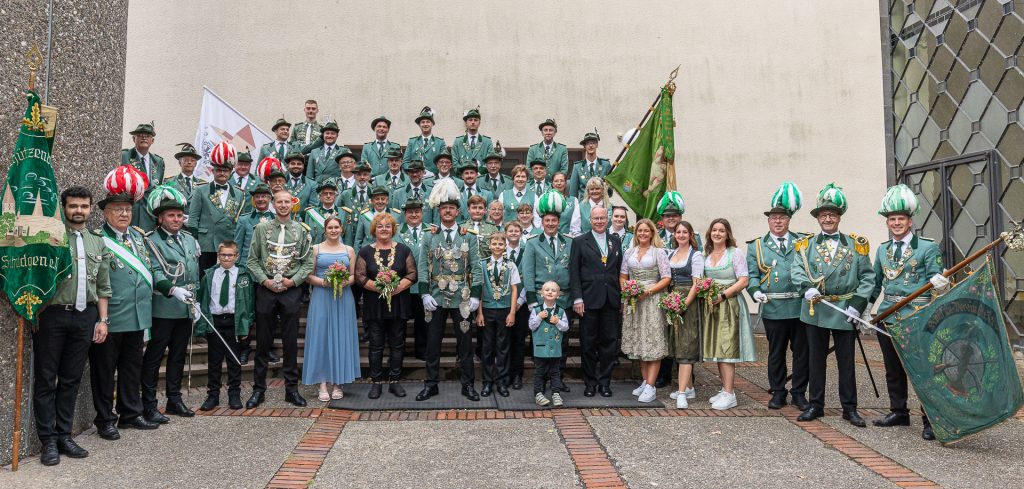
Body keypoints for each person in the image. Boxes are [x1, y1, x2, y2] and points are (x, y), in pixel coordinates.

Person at [34, 187, 111, 466]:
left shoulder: (97, 242)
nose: (79, 210)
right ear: (63, 207)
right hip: (53, 316)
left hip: (85, 317)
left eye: (84, 206)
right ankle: (48, 442)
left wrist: (102, 321)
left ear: (91, 209)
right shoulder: (50, 238)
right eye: (73, 206)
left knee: (71, 380)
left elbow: (103, 286)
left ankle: (64, 435)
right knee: (46, 380)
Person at [869, 184, 948, 440]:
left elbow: (936, 279)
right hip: (888, 316)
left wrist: (940, 283)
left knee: (924, 368)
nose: (896, 223)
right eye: (892, 220)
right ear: (887, 223)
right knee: (893, 368)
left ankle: (929, 418)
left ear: (910, 221)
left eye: (900, 219)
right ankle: (899, 412)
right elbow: (875, 282)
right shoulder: (882, 250)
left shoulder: (927, 247)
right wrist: (865, 307)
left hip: (917, 316)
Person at [792, 183, 874, 427]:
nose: (827, 219)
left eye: (832, 215)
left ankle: (850, 408)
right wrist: (806, 287)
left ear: (839, 218)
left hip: (844, 310)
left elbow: (868, 277)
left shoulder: (856, 244)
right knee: (815, 360)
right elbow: (797, 270)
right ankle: (816, 405)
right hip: (816, 309)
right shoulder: (805, 246)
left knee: (846, 362)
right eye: (823, 215)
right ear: (818, 219)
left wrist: (858, 304)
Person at [90, 180, 158, 442]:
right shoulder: (98, 239)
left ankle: (130, 413)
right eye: (117, 209)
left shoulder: (139, 238)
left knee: (132, 368)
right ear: (106, 213)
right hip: (111, 316)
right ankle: (105, 419)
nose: (123, 214)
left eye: (127, 210)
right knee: (104, 371)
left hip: (137, 316)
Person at [245, 189, 315, 408]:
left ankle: (291, 390)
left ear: (292, 204)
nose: (283, 205)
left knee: (290, 342)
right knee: (263, 342)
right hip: (266, 288)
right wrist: (264, 281)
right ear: (273, 204)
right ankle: (258, 390)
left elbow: (308, 263)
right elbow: (252, 260)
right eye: (279, 202)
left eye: (287, 202)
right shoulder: (262, 228)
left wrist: (292, 282)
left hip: (290, 289)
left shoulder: (302, 231)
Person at [416, 179, 483, 401]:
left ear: (457, 211)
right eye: (444, 208)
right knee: (432, 343)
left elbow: (476, 267)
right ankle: (431, 384)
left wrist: (475, 296)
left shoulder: (468, 235)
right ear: (438, 210)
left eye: (451, 208)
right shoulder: (429, 235)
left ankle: (468, 385)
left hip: (461, 297)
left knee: (465, 345)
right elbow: (423, 267)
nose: (447, 211)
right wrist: (424, 293)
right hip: (435, 295)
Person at [746, 182, 810, 410]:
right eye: (773, 218)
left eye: (782, 218)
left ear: (788, 220)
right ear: (768, 221)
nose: (778, 221)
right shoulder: (756, 247)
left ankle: (800, 393)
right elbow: (752, 276)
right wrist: (755, 293)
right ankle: (778, 391)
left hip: (800, 306)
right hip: (774, 306)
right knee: (776, 354)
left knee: (802, 353)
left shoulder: (803, 242)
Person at [141, 186, 201, 422]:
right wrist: (172, 289)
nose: (176, 219)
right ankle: (149, 404)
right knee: (154, 357)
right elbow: (154, 271)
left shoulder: (189, 239)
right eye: (171, 216)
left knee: (178, 356)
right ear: (160, 218)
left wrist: (198, 303)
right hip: (163, 309)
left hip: (185, 308)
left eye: (179, 215)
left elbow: (195, 275)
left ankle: (174, 400)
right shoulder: (151, 240)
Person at [355, 213, 418, 398]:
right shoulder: (365, 251)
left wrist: (396, 288)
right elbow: (359, 276)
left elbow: (413, 273)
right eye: (380, 226)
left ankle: (395, 382)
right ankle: (376, 382)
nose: (384, 229)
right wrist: (379, 287)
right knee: (376, 345)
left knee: (398, 344)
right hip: (375, 305)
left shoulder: (404, 250)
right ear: (374, 229)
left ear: (393, 229)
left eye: (388, 226)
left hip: (398, 303)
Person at [303, 216, 360, 401]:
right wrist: (325, 282)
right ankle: (321, 383)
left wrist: (344, 282)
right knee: (321, 336)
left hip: (343, 297)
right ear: (325, 230)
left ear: (341, 229)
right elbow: (308, 276)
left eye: (336, 227)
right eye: (330, 227)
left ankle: (337, 383)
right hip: (321, 296)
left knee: (341, 336)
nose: (333, 230)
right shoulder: (315, 249)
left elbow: (354, 276)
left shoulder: (349, 250)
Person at [699, 218, 753, 410]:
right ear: (710, 233)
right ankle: (724, 388)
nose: (718, 234)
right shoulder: (708, 254)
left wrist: (723, 295)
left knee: (728, 349)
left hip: (729, 305)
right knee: (718, 349)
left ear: (727, 234)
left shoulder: (735, 253)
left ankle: (730, 394)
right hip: (713, 306)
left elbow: (743, 280)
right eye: (714, 230)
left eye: (722, 230)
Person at [522, 191, 575, 384]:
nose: (551, 224)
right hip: (540, 301)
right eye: (547, 220)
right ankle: (540, 379)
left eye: (554, 220)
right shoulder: (532, 243)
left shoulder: (569, 242)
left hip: (563, 300)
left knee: (563, 341)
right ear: (541, 222)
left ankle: (557, 379)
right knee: (540, 340)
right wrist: (531, 301)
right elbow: (527, 273)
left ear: (559, 222)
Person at [569, 206, 623, 397]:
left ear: (607, 220)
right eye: (596, 218)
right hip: (588, 300)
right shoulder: (579, 242)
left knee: (609, 343)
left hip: (610, 300)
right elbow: (574, 271)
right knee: (588, 344)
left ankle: (605, 383)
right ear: (590, 220)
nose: (599, 221)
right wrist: (577, 298)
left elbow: (618, 271)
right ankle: (590, 382)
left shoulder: (616, 241)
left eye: (602, 218)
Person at [195, 241, 253, 411]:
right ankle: (213, 394)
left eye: (230, 255)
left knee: (234, 360)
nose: (226, 258)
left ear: (237, 256)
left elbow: (249, 303)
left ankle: (234, 393)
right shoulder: (209, 275)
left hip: (234, 321)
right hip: (215, 321)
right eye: (223, 255)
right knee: (214, 361)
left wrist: (246, 325)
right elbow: (204, 298)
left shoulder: (243, 276)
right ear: (218, 256)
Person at [620, 219, 671, 403]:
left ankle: (651, 386)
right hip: (635, 301)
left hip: (652, 299)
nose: (642, 233)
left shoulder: (659, 253)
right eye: (639, 231)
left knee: (653, 340)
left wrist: (648, 291)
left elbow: (666, 278)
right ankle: (645, 381)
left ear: (652, 233)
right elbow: (623, 275)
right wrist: (627, 290)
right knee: (640, 341)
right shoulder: (629, 252)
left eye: (646, 231)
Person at [476, 232, 521, 397]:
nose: (497, 247)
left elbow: (515, 288)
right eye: (494, 244)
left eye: (500, 244)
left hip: (504, 309)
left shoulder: (511, 265)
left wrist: (512, 312)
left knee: (503, 347)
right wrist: (479, 312)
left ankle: (502, 382)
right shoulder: (482, 264)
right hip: (487, 310)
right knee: (487, 347)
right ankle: (487, 382)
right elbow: (479, 288)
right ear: (490, 246)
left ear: (505, 247)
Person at [188, 151, 245, 273]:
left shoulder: (239, 194)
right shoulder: (201, 190)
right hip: (206, 242)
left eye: (225, 170)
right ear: (213, 172)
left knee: (227, 275)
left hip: (228, 241)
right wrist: (194, 240)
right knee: (205, 276)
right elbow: (193, 218)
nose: (222, 173)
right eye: (219, 170)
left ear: (230, 173)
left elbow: (240, 221)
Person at [668, 222, 704, 409]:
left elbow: (696, 284)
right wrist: (670, 302)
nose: (681, 235)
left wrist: (684, 305)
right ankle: (689, 387)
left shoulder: (695, 255)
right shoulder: (671, 254)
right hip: (673, 300)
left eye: (684, 232)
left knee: (686, 345)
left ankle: (681, 393)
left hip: (687, 302)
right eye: (678, 232)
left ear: (691, 235)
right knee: (678, 343)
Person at [395, 198, 432, 360]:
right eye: (410, 212)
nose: (414, 215)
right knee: (399, 321)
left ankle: (422, 351)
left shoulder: (432, 231)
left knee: (423, 322)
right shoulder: (396, 231)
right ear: (405, 214)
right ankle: (398, 352)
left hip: (424, 284)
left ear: (422, 213)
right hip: (402, 284)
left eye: (417, 211)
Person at [530, 281, 570, 407]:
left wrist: (558, 322)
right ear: (541, 293)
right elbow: (531, 326)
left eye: (553, 290)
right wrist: (539, 317)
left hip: (555, 349)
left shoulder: (561, 312)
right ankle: (538, 394)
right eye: (547, 289)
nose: (550, 292)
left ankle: (556, 393)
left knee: (555, 372)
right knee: (539, 372)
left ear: (558, 295)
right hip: (540, 349)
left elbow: (565, 327)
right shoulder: (536, 310)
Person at [122, 123, 165, 230]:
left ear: (152, 141)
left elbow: (157, 189)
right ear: (133, 139)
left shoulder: (158, 161)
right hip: (128, 212)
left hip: (150, 216)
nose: (144, 137)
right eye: (140, 135)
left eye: (148, 135)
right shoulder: (124, 156)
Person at [504, 221, 531, 390]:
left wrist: (520, 301)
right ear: (505, 232)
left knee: (518, 341)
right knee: (504, 341)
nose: (513, 233)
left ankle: (517, 376)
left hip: (521, 303)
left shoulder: (527, 251)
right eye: (510, 230)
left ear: (521, 233)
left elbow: (529, 277)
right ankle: (504, 375)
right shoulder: (500, 250)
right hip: (503, 303)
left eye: (516, 230)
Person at [354, 185, 403, 251]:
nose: (380, 202)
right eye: (377, 199)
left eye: (383, 199)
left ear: (387, 201)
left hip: (391, 252)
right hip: (369, 252)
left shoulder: (396, 215)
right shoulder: (364, 215)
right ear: (372, 201)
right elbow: (358, 240)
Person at [568, 132, 611, 201]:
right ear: (584, 146)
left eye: (593, 143)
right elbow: (573, 193)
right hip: (584, 206)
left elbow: (610, 193)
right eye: (587, 143)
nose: (590, 145)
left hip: (601, 206)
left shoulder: (605, 165)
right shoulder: (577, 167)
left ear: (597, 145)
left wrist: (606, 187)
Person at [304, 178, 349, 245]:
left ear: (335, 196)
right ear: (320, 197)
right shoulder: (311, 213)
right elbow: (307, 236)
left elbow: (348, 237)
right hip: (317, 249)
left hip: (338, 250)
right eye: (325, 193)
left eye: (331, 193)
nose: (328, 196)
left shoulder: (344, 213)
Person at [404, 107, 447, 175]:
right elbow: (405, 162)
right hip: (415, 178)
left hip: (434, 179)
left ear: (432, 124)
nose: (425, 124)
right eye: (423, 122)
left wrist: (433, 173)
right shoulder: (412, 142)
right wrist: (414, 171)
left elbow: (444, 162)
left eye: (428, 122)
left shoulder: (440, 142)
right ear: (419, 125)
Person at [451, 107, 493, 171]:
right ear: (466, 123)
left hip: (481, 178)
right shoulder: (458, 141)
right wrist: (463, 174)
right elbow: (455, 162)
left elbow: (490, 161)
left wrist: (479, 174)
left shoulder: (487, 142)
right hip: (462, 178)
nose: (473, 122)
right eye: (470, 120)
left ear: (479, 123)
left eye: (476, 120)